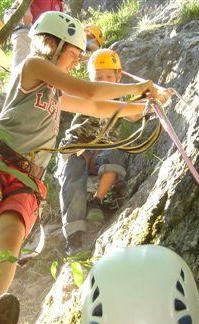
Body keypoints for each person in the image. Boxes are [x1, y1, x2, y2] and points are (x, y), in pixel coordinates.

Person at [0, 12, 173, 324]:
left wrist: (144, 107)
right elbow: (87, 89)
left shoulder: (56, 91)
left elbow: (94, 104)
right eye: (74, 54)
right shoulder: (33, 67)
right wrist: (138, 87)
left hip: (27, 177)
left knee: (9, 241)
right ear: (54, 45)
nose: (76, 61)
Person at [56, 48, 136, 256]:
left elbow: (135, 115)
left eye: (109, 76)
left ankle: (97, 201)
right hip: (75, 148)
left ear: (119, 76)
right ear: (91, 80)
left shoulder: (120, 100)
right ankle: (73, 236)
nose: (104, 81)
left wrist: (152, 100)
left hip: (101, 151)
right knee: (72, 174)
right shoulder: (87, 97)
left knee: (116, 152)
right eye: (98, 77)